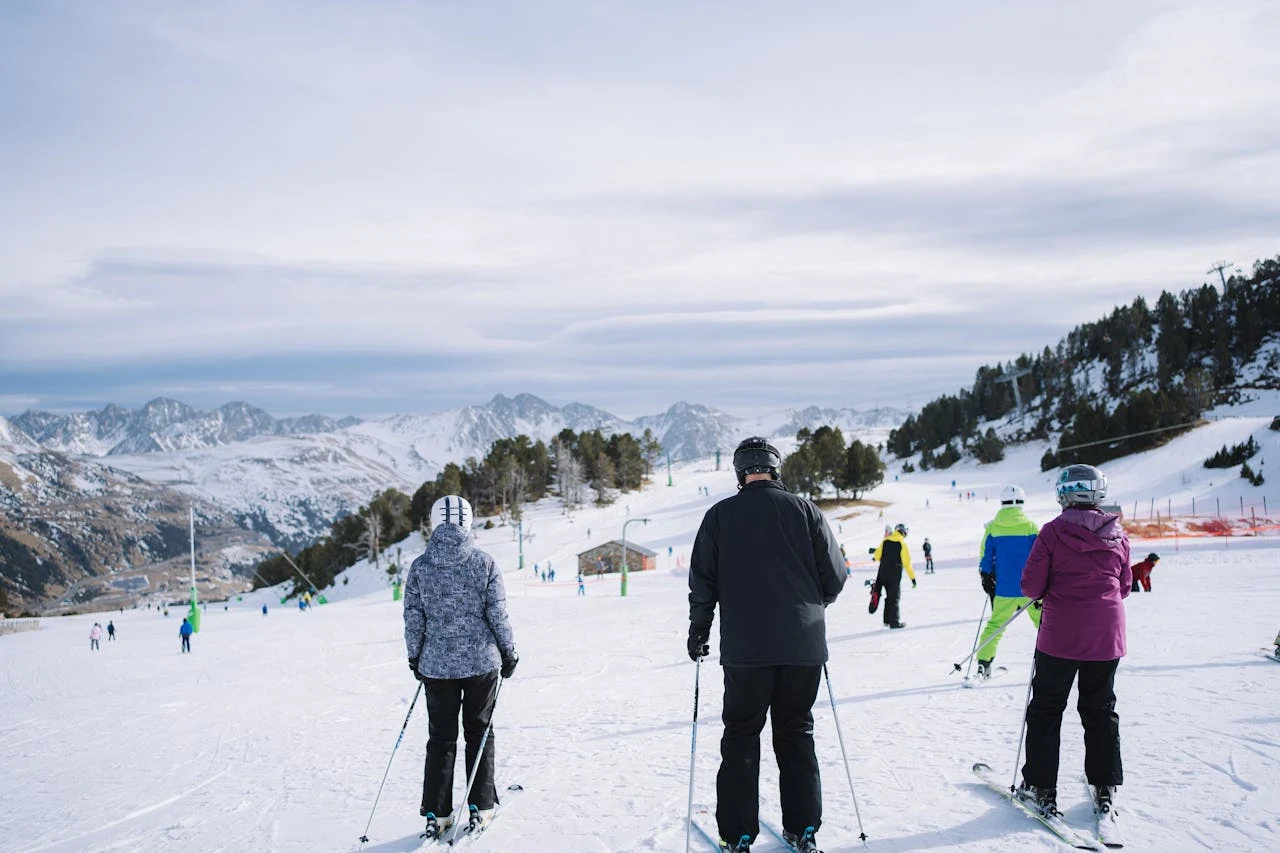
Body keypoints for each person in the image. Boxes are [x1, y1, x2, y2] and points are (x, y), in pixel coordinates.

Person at [688, 437, 846, 853]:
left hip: (746, 652)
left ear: (741, 472)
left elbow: (702, 582)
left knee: (742, 735)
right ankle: (804, 828)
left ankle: (739, 833)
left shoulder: (720, 516)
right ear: (777, 469)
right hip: (803, 647)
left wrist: (699, 630)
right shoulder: (806, 511)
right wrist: (809, 608)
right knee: (796, 733)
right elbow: (836, 576)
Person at [1017, 464, 1130, 822]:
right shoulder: (1118, 533)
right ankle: (1104, 786)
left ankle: (1039, 786)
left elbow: (1031, 586)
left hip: (1061, 635)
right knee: (1099, 709)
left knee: (1047, 708)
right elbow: (1124, 586)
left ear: (1063, 494)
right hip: (1106, 635)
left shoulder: (1052, 531)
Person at [405, 495, 518, 840]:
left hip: (437, 666)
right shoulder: (483, 563)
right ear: (468, 521)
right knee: (479, 732)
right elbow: (496, 615)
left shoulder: (421, 566)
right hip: (481, 663)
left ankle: (437, 813)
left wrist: (415, 656)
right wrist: (508, 653)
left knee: (441, 738)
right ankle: (481, 805)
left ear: (435, 521)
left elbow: (413, 619)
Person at [974, 485, 1041, 679]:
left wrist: (986, 578)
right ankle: (1058, 664)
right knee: (1046, 626)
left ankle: (983, 665)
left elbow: (985, 556)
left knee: (995, 626)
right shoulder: (1030, 527)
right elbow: (1041, 557)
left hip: (1004, 589)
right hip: (1031, 589)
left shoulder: (993, 527)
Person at [872, 523, 916, 629]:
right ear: (904, 532)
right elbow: (907, 563)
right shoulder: (902, 544)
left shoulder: (885, 541)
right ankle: (894, 622)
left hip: (881, 575)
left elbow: (877, 556)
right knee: (894, 598)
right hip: (894, 576)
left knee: (888, 598)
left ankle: (887, 620)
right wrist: (913, 578)